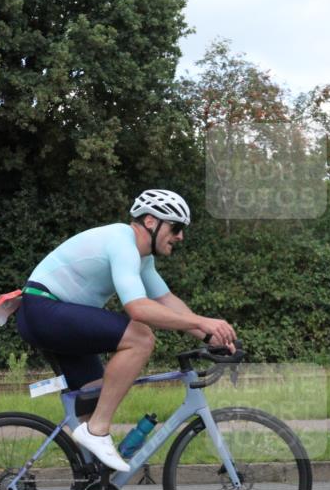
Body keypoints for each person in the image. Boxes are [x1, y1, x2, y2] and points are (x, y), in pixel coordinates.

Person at [16, 190, 236, 472]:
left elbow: (166, 301)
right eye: (176, 227)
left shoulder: (142, 259)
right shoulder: (122, 242)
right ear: (149, 222)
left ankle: (88, 489)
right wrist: (201, 323)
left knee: (94, 396)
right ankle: (97, 430)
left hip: (53, 317)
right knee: (140, 338)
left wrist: (210, 335)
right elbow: (138, 309)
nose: (180, 236)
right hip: (44, 310)